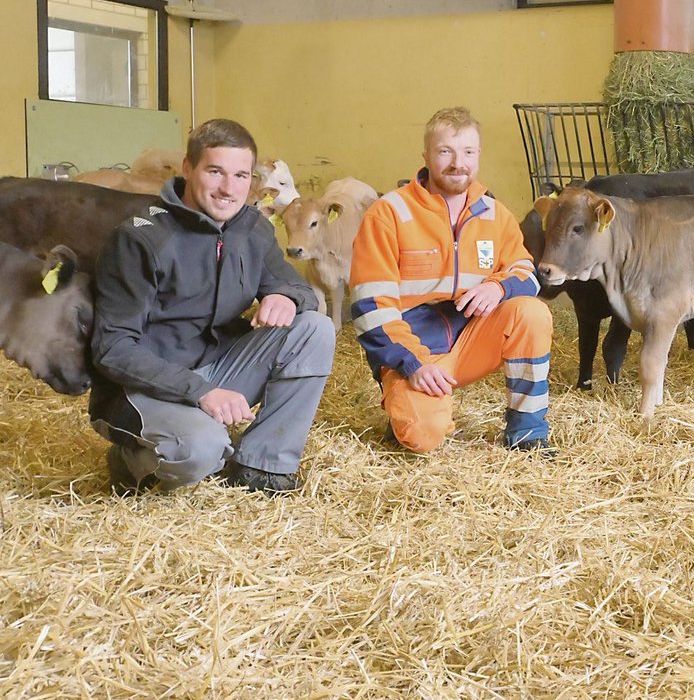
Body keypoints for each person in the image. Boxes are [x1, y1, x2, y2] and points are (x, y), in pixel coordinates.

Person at [89, 119, 336, 494]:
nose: (228, 188)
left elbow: (292, 283)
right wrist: (199, 392)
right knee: (202, 451)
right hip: (145, 385)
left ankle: (262, 465)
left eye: (241, 175)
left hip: (217, 364)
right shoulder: (140, 239)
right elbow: (113, 349)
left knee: (314, 329)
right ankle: (132, 459)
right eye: (215, 171)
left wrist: (284, 296)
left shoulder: (252, 229)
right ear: (188, 169)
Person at [348, 106, 552, 454]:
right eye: (446, 152)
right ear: (426, 155)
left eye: (469, 152)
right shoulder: (389, 213)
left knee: (531, 313)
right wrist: (412, 363)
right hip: (415, 346)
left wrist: (498, 286)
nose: (459, 163)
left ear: (478, 156)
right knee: (423, 438)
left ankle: (527, 434)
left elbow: (527, 274)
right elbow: (370, 306)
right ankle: (405, 404)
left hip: (472, 337)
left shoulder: (494, 213)